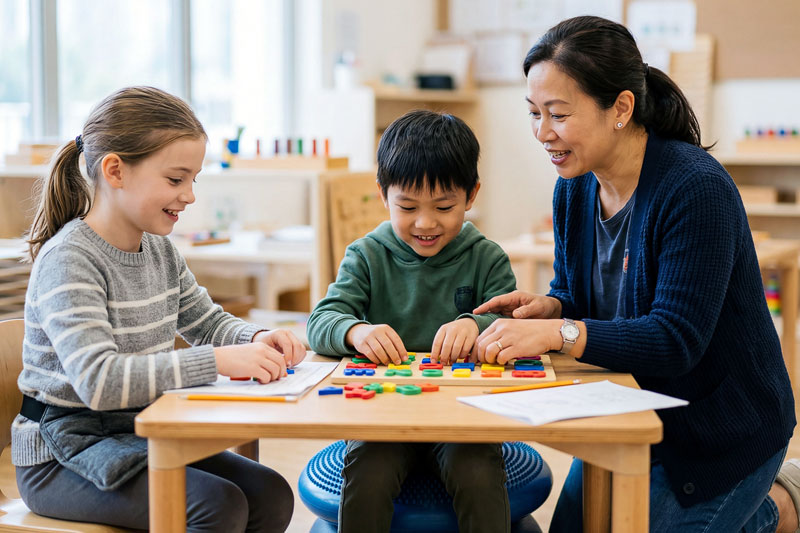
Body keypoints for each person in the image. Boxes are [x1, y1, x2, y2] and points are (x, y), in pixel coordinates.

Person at [470, 15, 798, 532]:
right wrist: (553, 307)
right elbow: (577, 295)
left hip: (720, 429)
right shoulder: (574, 188)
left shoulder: (696, 189)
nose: (542, 133)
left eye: (558, 114)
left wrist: (559, 331)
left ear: (620, 108)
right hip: (630, 406)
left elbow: (675, 339)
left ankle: (781, 506)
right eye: (534, 113)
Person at [13, 86, 304, 532]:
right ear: (115, 170)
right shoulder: (70, 259)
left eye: (193, 180)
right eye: (175, 179)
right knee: (216, 505)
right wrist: (219, 360)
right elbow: (99, 382)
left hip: (138, 433)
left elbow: (205, 321)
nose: (189, 196)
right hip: (61, 454)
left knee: (270, 494)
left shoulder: (159, 251)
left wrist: (256, 339)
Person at [307, 109, 517, 532]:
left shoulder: (487, 257)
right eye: (407, 206)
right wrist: (356, 330)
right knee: (368, 471)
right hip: (384, 409)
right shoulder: (365, 254)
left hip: (464, 412)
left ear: (471, 196)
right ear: (383, 195)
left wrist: (474, 326)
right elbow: (321, 321)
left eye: (444, 206)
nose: (425, 222)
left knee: (477, 472)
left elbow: (510, 326)